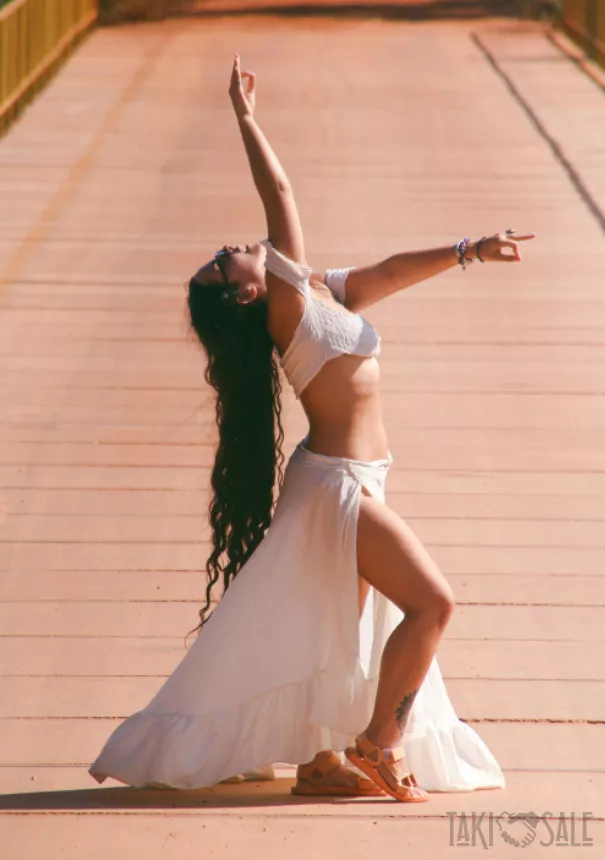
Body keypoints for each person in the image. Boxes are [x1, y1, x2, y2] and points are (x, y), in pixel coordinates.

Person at [89, 56, 537, 802]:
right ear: (246, 296)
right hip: (337, 489)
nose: (227, 249)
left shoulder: (316, 292)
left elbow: (385, 273)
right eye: (220, 264)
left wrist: (468, 251)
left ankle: (320, 762)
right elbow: (282, 195)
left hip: (351, 479)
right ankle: (378, 744)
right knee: (432, 603)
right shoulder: (285, 305)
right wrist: (246, 119)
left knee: (336, 631)